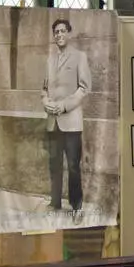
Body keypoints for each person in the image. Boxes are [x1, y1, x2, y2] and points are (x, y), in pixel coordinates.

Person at [43, 17, 90, 221]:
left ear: (69, 34)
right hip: (52, 122)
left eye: (63, 31)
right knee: (54, 165)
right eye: (56, 32)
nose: (59, 35)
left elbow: (84, 88)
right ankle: (55, 202)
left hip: (71, 123)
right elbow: (44, 89)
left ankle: (76, 207)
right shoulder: (49, 60)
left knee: (73, 167)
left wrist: (64, 106)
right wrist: (45, 101)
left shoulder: (80, 57)